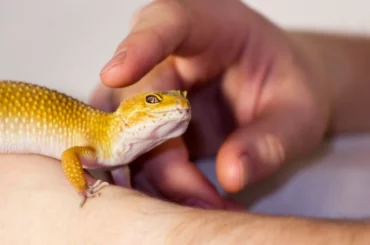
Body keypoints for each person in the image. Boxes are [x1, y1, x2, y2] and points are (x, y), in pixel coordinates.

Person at [2, 0, 370, 243]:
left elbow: (116, 175)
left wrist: (129, 228)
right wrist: (83, 193)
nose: (177, 105)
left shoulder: (113, 150)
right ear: (127, 113)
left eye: (181, 102)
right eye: (151, 101)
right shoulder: (102, 141)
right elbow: (72, 159)